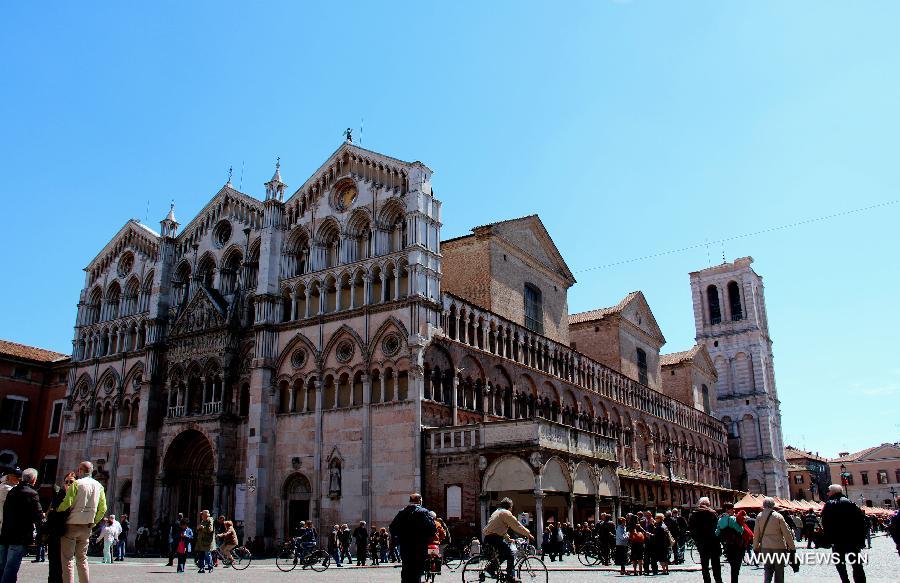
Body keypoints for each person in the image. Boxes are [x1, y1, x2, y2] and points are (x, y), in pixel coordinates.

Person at [57, 461, 107, 583]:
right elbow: (103, 508)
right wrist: (94, 522)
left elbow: (67, 502)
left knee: (68, 559)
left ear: (80, 470)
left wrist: (57, 510)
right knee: (82, 559)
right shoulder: (99, 486)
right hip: (87, 526)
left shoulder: (77, 484)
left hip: (71, 524)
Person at [0, 467, 42, 583]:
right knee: (11, 567)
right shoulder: (32, 493)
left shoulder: (12, 491)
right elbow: (38, 515)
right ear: (33, 480)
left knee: (2, 565)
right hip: (20, 535)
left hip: (5, 531)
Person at [821, 484, 867, 583]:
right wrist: (861, 539)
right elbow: (861, 522)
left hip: (837, 540)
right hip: (852, 539)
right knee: (857, 564)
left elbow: (825, 523)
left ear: (833, 492)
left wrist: (828, 539)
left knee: (840, 564)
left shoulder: (829, 504)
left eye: (828, 491)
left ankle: (845, 581)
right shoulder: (851, 503)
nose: (827, 493)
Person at [480, 497, 533, 583]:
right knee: (510, 554)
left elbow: (499, 529)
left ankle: (491, 568)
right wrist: (528, 534)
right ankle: (509, 577)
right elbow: (516, 525)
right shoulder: (506, 513)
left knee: (503, 554)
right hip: (495, 538)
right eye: (512, 507)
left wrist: (508, 539)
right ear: (510, 507)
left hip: (489, 537)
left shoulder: (497, 512)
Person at [389, 493, 437, 583]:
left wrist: (400, 536)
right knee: (417, 571)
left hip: (405, 547)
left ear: (410, 501)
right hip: (419, 546)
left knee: (406, 570)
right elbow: (432, 529)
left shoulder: (402, 512)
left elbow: (392, 527)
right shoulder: (424, 512)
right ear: (420, 501)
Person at [752, 497, 796, 583]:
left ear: (763, 505)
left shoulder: (759, 516)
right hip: (779, 547)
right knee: (779, 571)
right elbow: (787, 533)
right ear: (773, 505)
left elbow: (756, 534)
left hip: (765, 547)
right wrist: (792, 548)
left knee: (767, 569)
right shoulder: (778, 516)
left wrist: (755, 547)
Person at [689, 497, 723, 583]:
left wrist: (697, 540)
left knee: (704, 565)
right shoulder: (713, 514)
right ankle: (718, 581)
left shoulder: (694, 515)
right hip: (713, 542)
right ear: (708, 504)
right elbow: (718, 529)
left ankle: (707, 581)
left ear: (699, 504)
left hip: (702, 543)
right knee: (716, 564)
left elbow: (691, 530)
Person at [716, 502, 744, 583]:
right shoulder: (732, 519)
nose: (733, 510)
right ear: (728, 510)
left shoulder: (720, 520)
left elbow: (717, 533)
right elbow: (740, 530)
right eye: (732, 509)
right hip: (736, 545)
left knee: (732, 565)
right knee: (736, 567)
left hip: (727, 545)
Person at [0, 469, 21, 534]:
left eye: (20, 477)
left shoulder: (12, 487)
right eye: (17, 477)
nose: (19, 479)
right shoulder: (5, 488)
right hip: (4, 521)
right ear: (9, 476)